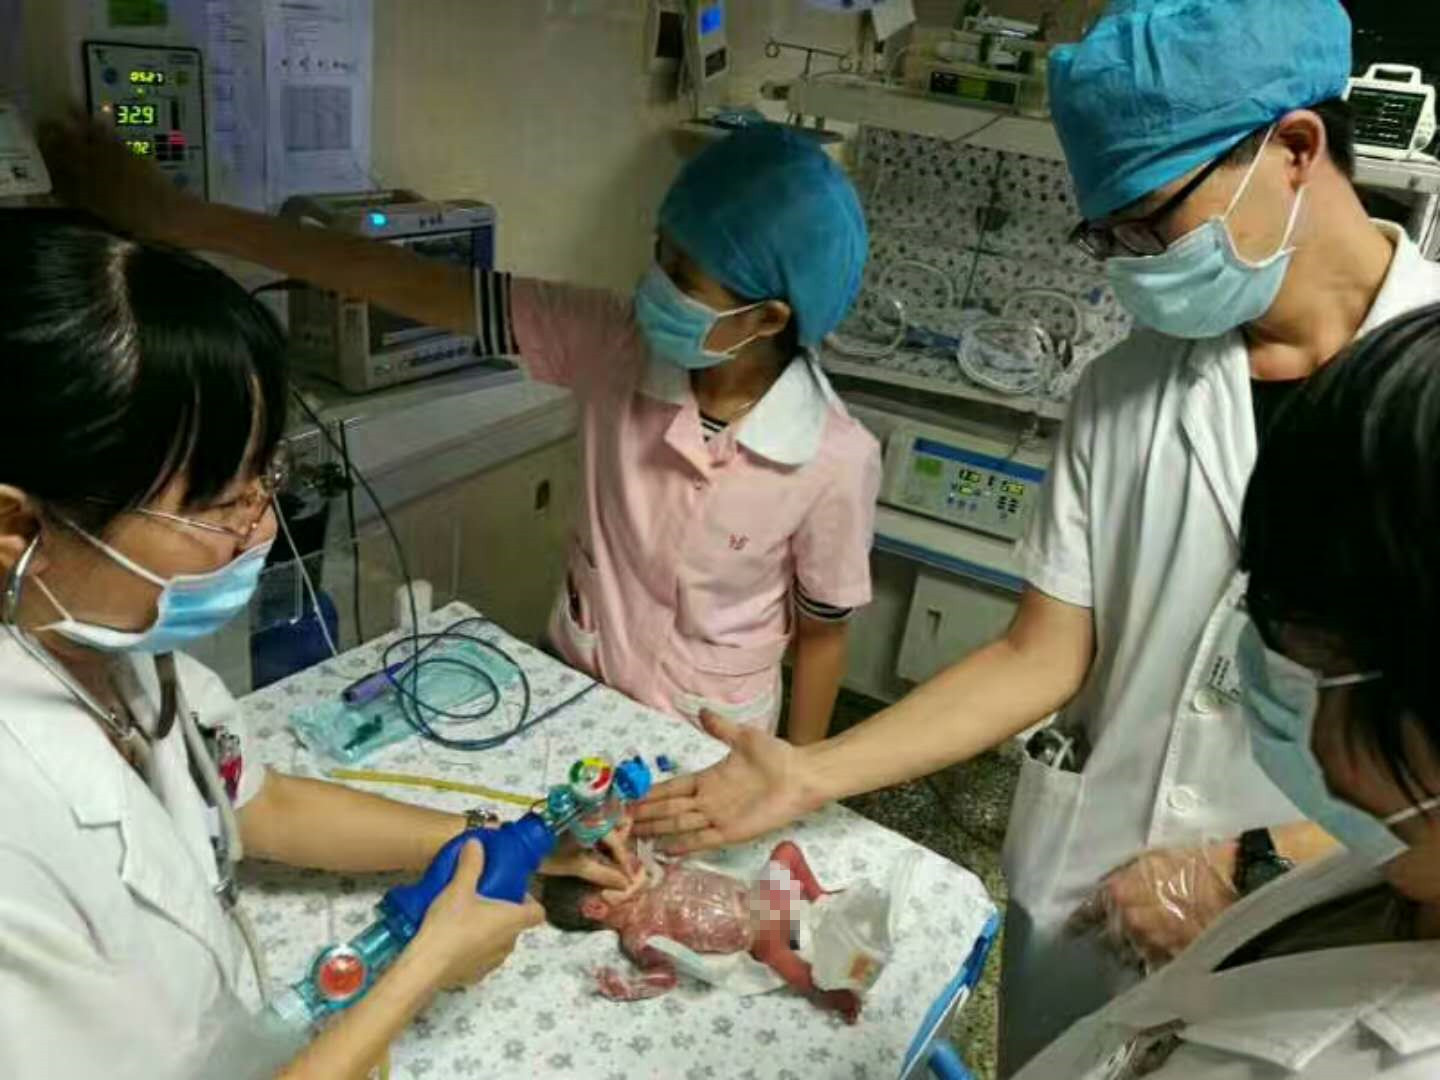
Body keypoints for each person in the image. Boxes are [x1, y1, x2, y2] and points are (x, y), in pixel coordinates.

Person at [632, 0, 1440, 1071]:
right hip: (1091, 880)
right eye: (1107, 237)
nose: (1132, 266)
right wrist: (811, 771)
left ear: (1292, 149)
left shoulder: (1421, 397)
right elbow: (1042, 654)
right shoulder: (1124, 388)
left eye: (1150, 224)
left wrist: (1259, 859)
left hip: (1329, 909)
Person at [0, 212, 635, 1080]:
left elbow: (258, 805)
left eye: (265, 477)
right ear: (17, 525)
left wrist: (504, 840)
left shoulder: (97, 634)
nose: (262, 529)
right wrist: (420, 971)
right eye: (219, 504)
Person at [41, 120, 881, 747]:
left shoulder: (834, 458)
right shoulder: (613, 342)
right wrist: (183, 219)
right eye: (657, 252)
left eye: (683, 275)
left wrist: (794, 779)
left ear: (767, 318)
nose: (651, 284)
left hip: (716, 736)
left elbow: (822, 636)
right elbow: (400, 278)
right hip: (579, 692)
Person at [1013, 304, 1440, 1078]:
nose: (1264, 669)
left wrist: (1258, 856)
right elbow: (1038, 650)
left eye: (1299, 644)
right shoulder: (1397, 869)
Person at [540, 839, 866, 1022]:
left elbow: (662, 851)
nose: (622, 863)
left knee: (787, 851)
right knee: (779, 955)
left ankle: (819, 896)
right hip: (756, 931)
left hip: (761, 895)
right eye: (610, 868)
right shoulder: (638, 935)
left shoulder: (652, 873)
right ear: (597, 908)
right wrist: (626, 988)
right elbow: (664, 976)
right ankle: (829, 996)